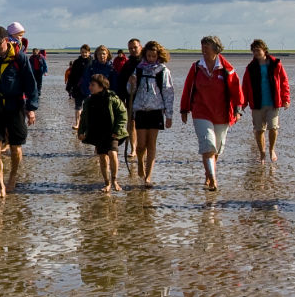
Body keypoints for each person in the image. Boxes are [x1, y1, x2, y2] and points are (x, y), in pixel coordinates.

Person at [0, 25, 39, 198]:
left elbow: (30, 84)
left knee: (16, 148)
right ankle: (1, 185)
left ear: (5, 40)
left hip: (15, 105)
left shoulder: (19, 57)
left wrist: (31, 109)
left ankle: (12, 177)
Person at [179, 35, 243, 191]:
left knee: (217, 148)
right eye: (202, 48)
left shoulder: (227, 69)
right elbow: (188, 88)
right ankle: (213, 180)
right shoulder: (196, 68)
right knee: (208, 145)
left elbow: (236, 90)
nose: (203, 51)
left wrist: (238, 109)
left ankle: (208, 173)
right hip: (201, 112)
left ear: (216, 49)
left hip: (222, 113)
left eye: (206, 48)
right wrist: (184, 109)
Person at [127, 40, 173, 185]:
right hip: (140, 109)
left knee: (151, 144)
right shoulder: (139, 69)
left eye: (154, 56)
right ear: (144, 55)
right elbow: (130, 91)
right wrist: (131, 82)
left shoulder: (163, 70)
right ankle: (140, 161)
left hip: (156, 110)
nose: (151, 59)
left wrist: (169, 115)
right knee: (141, 145)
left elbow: (168, 92)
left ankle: (148, 176)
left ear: (158, 55)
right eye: (148, 56)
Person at [241, 39, 291, 162]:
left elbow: (284, 82)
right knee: (259, 130)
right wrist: (243, 102)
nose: (256, 53)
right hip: (257, 103)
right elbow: (245, 86)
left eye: (258, 50)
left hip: (273, 102)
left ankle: (271, 149)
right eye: (254, 51)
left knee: (273, 128)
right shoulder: (251, 67)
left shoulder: (275, 64)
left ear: (264, 50)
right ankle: (262, 152)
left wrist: (286, 99)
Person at [77, 75, 129, 193]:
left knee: (112, 153)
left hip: (113, 133)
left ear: (101, 86)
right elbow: (84, 117)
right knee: (102, 158)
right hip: (98, 133)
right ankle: (107, 183)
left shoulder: (112, 98)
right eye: (90, 84)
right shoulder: (89, 101)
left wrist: (117, 130)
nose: (90, 87)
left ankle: (114, 180)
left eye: (93, 85)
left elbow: (122, 114)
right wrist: (81, 132)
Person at [65, 44, 92, 130]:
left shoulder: (92, 62)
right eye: (83, 52)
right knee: (78, 107)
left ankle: (88, 125)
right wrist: (69, 87)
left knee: (89, 108)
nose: (84, 54)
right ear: (80, 52)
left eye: (86, 52)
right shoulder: (76, 62)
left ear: (89, 52)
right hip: (78, 88)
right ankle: (77, 124)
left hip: (89, 89)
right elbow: (72, 76)